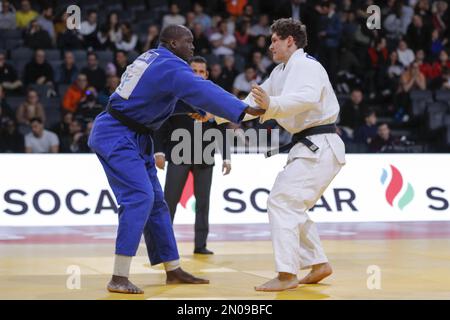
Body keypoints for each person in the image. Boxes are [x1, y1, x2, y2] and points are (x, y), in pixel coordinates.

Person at [88, 25, 264, 294]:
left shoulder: (152, 58)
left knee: (157, 203)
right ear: (172, 42)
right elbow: (201, 88)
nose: (193, 46)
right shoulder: (169, 65)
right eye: (188, 41)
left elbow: (153, 95)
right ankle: (119, 276)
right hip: (117, 134)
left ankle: (173, 269)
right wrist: (242, 109)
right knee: (139, 198)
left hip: (135, 134)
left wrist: (192, 108)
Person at [221, 18, 346, 291]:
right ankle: (318, 263)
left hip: (321, 144)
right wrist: (214, 114)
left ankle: (288, 273)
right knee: (291, 205)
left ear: (290, 40)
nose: (270, 46)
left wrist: (273, 104)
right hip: (309, 146)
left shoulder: (308, 65)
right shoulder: (281, 72)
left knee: (282, 202)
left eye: (274, 40)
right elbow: (250, 103)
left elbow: (308, 98)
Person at [154, 56, 231, 255]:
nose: (197, 74)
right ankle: (163, 245)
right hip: (179, 154)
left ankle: (201, 245)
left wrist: (227, 156)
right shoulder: (176, 97)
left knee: (203, 203)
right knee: (169, 201)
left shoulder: (214, 98)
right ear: (188, 73)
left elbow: (221, 129)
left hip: (205, 156)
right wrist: (159, 151)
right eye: (193, 70)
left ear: (206, 74)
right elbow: (162, 125)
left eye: (201, 71)